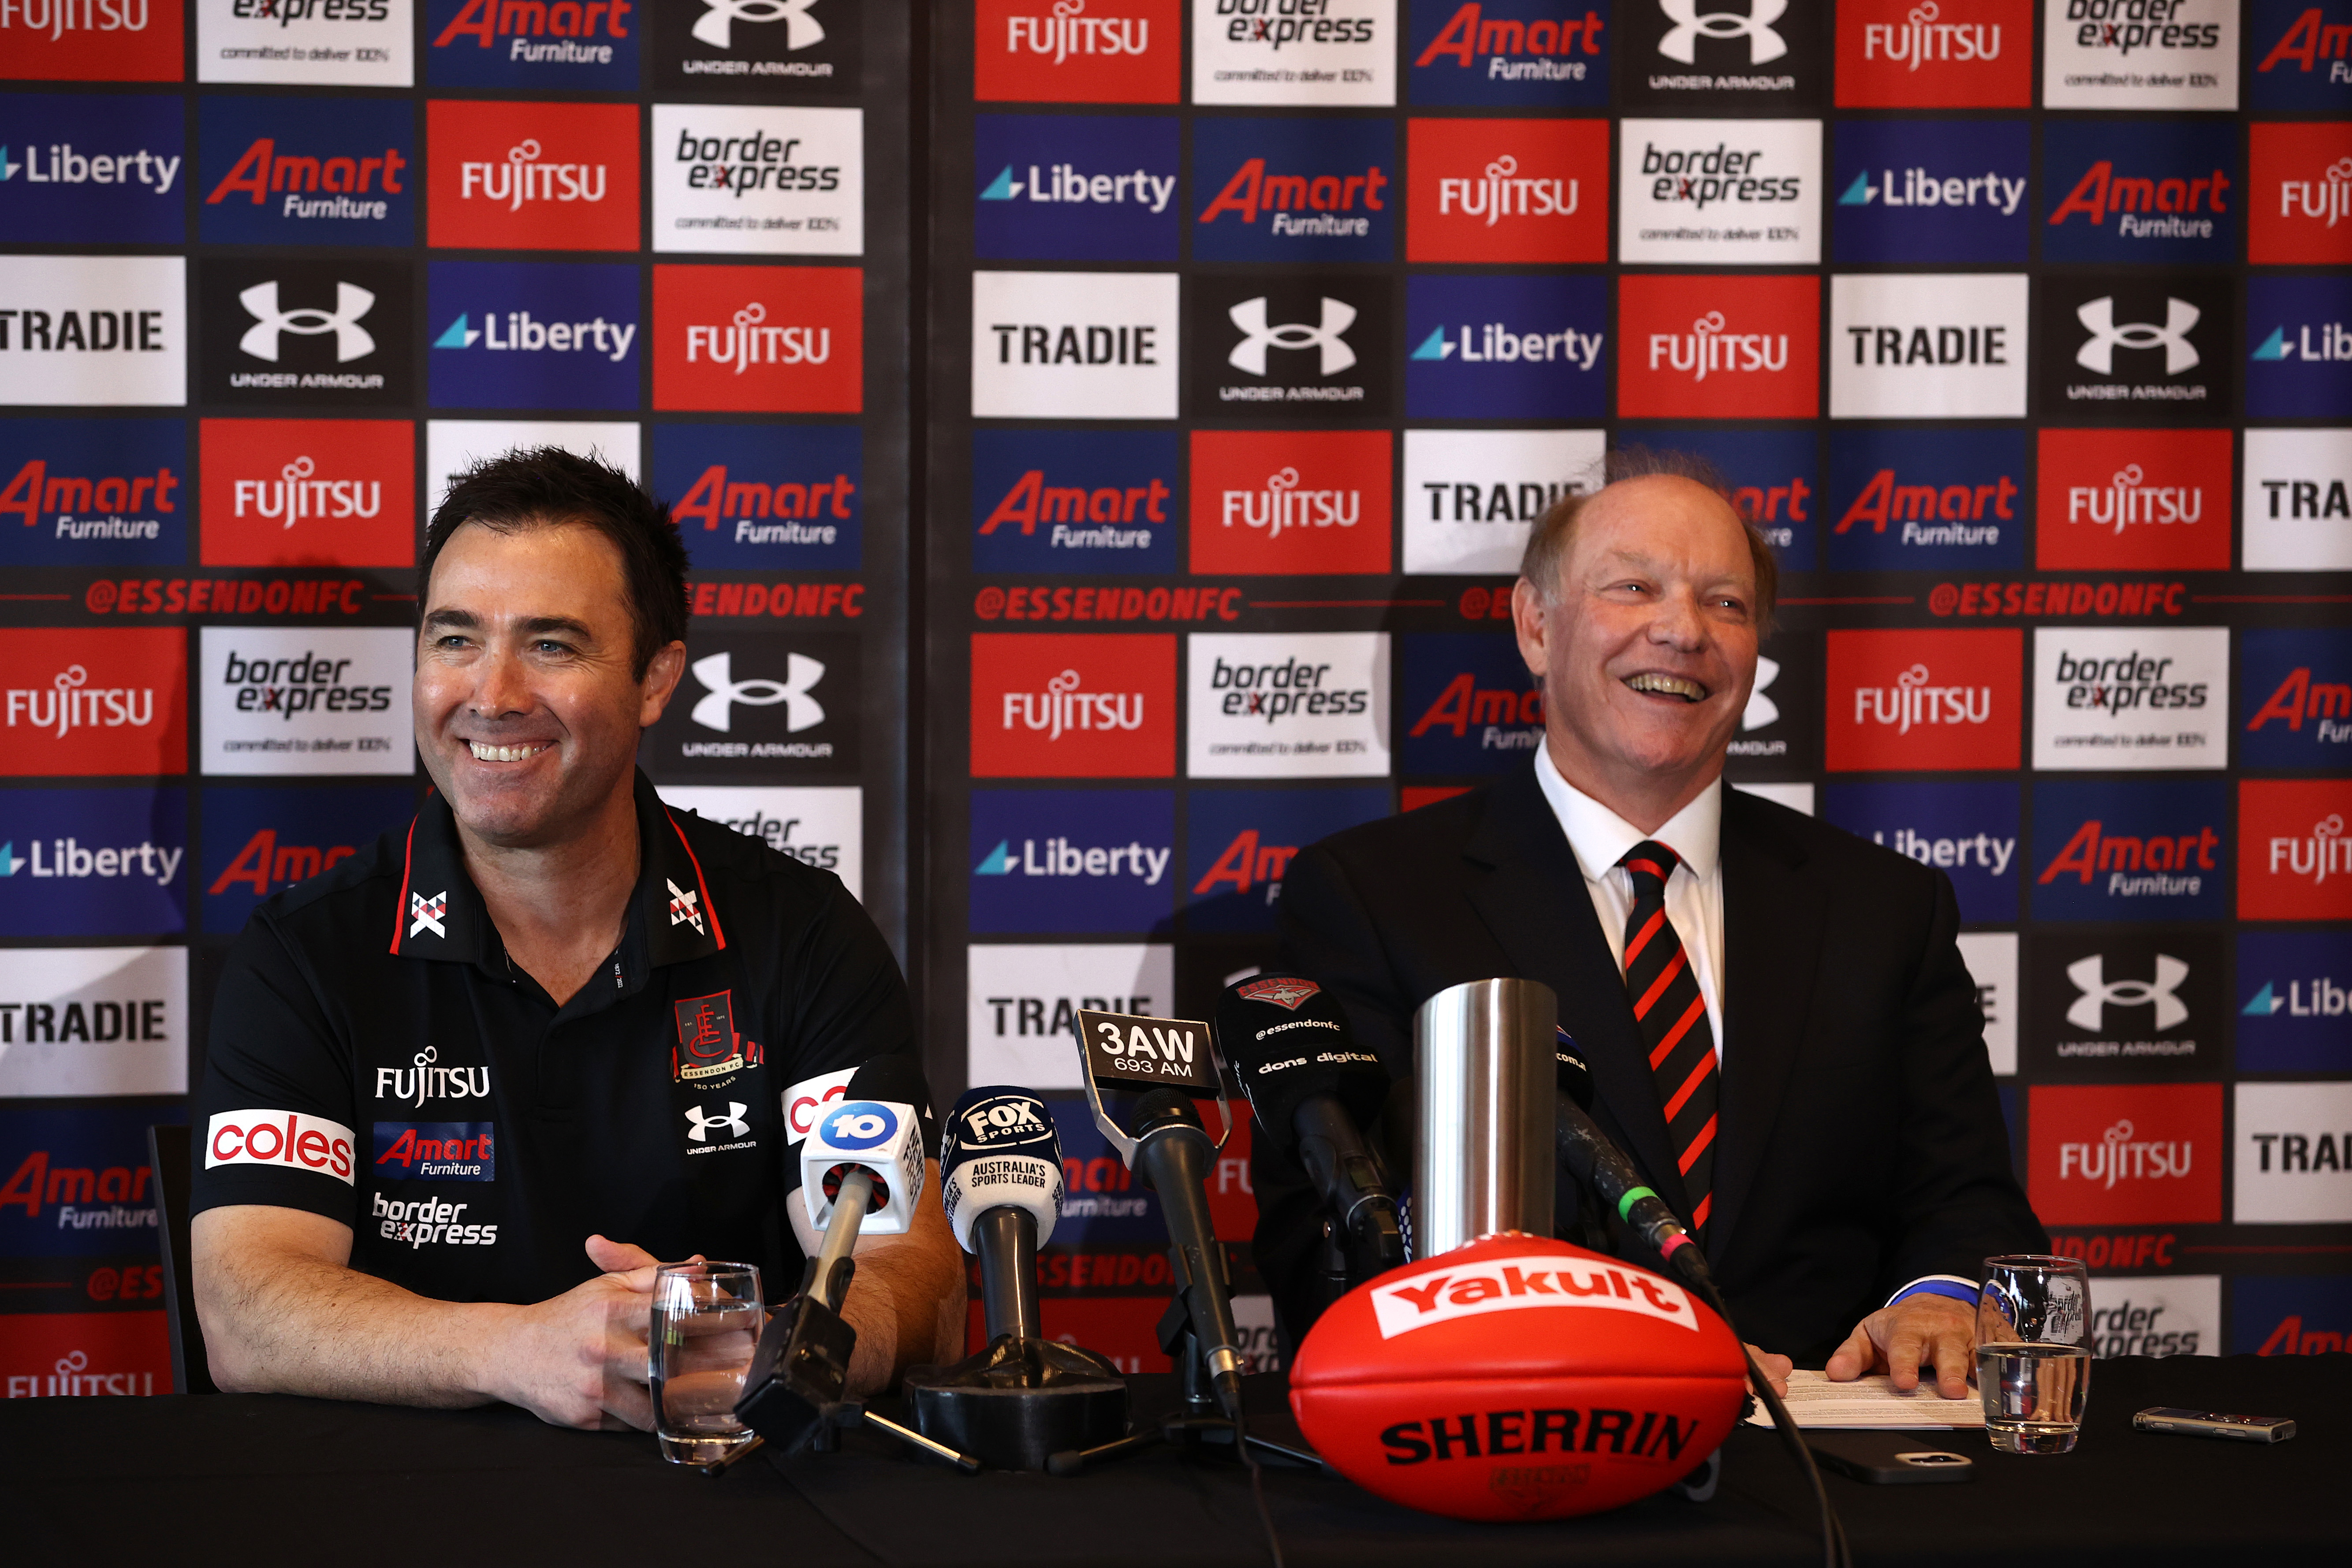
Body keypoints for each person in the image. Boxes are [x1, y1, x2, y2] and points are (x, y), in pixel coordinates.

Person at [190, 448, 961, 1430]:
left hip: (727, 1502)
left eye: (551, 645)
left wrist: (754, 1346)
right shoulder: (306, 952)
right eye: (455, 638)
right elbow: (246, 1312)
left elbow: (912, 1276)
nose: (493, 693)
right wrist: (518, 1350)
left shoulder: (798, 932)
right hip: (396, 1511)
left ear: (655, 679)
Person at [1261, 447, 2045, 1396]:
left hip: (1835, 1477)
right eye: (1633, 587)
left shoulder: (1885, 905)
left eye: (1726, 604)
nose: (1681, 632)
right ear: (1535, 626)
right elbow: (1331, 1242)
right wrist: (1625, 1353)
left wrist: (1942, 1298)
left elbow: (1968, 1200)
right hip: (1530, 1462)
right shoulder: (1372, 895)